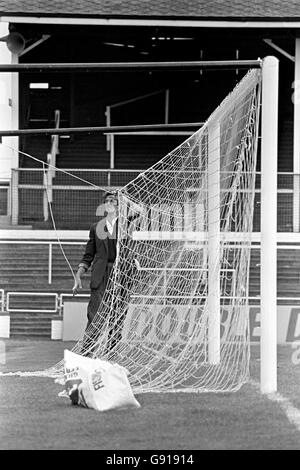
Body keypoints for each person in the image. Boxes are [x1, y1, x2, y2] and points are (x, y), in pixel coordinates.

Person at [72, 191, 119, 329]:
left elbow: (141, 210)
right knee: (94, 315)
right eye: (107, 201)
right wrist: (78, 274)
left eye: (113, 200)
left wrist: (124, 196)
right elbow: (88, 255)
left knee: (117, 318)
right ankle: (88, 350)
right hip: (100, 274)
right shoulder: (96, 227)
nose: (109, 203)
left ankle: (112, 350)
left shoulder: (126, 225)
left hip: (119, 274)